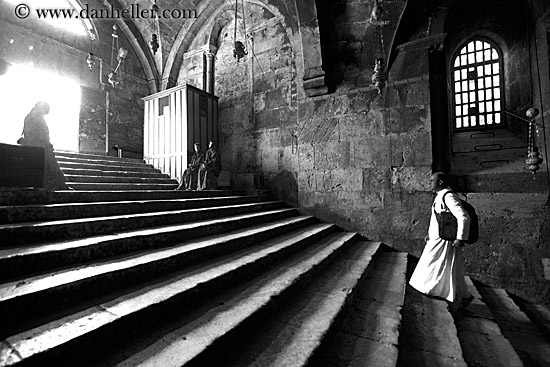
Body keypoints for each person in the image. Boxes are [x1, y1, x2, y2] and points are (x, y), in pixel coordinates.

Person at [409, 172, 474, 311]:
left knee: (434, 266)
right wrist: (429, 234)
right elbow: (436, 219)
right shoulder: (440, 196)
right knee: (446, 268)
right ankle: (460, 295)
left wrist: (460, 238)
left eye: (432, 180)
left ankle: (440, 294)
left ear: (440, 182)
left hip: (444, 240)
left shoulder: (449, 196)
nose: (429, 182)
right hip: (436, 238)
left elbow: (463, 217)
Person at [18, 101, 68, 190]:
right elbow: (40, 135)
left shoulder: (31, 116)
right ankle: (60, 184)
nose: (44, 114)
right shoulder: (36, 117)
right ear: (41, 108)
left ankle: (59, 184)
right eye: (44, 111)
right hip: (39, 147)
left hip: (37, 146)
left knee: (50, 164)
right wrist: (46, 143)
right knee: (51, 164)